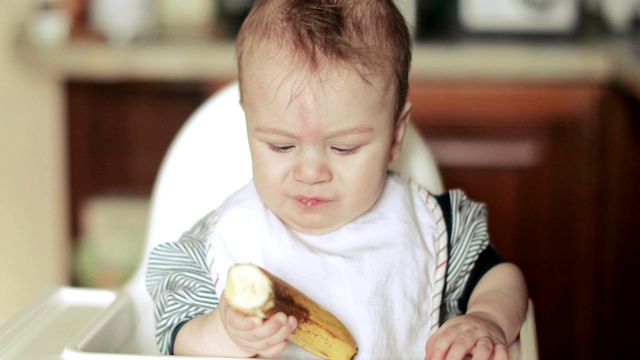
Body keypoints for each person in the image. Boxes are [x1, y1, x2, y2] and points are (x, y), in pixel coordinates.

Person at [145, 0, 528, 359]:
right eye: (281, 146)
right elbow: (174, 336)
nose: (311, 173)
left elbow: (500, 277)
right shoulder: (217, 243)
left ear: (395, 138)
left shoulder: (431, 225)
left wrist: (487, 318)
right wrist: (225, 334)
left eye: (344, 148)